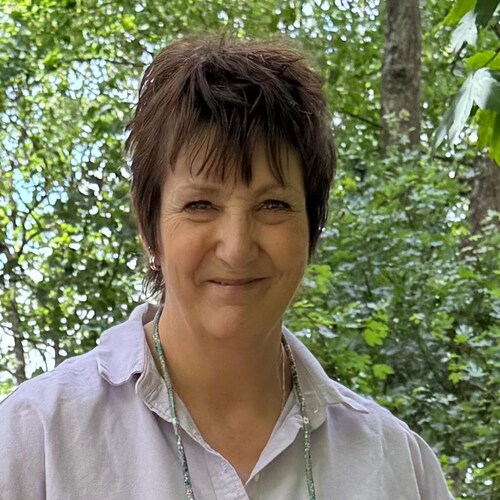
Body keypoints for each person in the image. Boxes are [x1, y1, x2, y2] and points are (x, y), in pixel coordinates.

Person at [0, 36, 452, 500]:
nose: (236, 249)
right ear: (148, 224)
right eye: (200, 205)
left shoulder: (397, 466)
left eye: (273, 205)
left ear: (313, 226)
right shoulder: (36, 441)